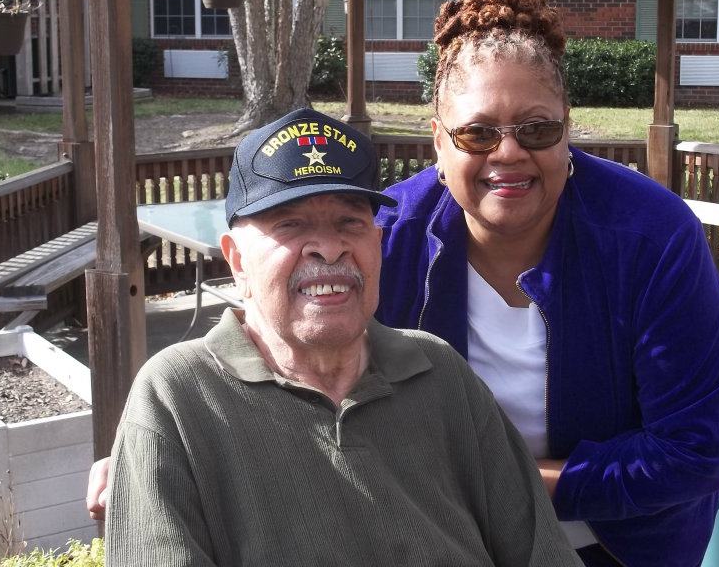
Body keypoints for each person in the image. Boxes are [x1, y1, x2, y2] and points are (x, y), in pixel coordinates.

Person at [104, 108, 583, 566]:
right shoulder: (177, 398)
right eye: (290, 224)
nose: (329, 247)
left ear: (377, 245)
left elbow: (540, 552)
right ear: (236, 261)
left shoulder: (439, 372)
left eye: (350, 222)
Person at [374, 0, 719, 566]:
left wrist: (504, 482)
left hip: (615, 549)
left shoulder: (653, 237)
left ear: (568, 129)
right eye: (478, 133)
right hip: (436, 545)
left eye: (537, 129)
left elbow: (698, 450)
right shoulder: (386, 239)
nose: (509, 153)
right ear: (439, 140)